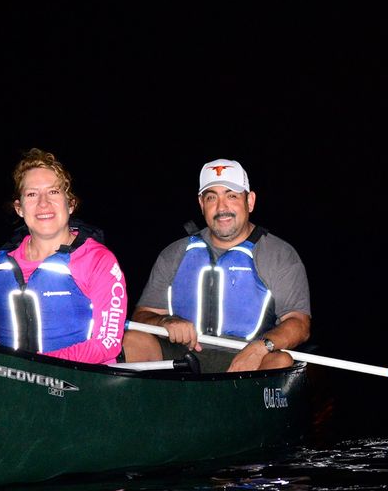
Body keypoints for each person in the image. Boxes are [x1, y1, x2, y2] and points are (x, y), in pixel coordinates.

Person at [121, 158, 311, 372]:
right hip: (181, 356)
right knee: (133, 339)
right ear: (201, 204)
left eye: (231, 196)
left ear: (250, 201)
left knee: (281, 360)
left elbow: (299, 324)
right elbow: (142, 316)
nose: (222, 207)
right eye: (212, 197)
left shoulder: (280, 255)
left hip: (246, 358)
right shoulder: (174, 253)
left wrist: (261, 347)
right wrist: (166, 321)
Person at [0, 148, 127, 364]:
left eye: (53, 192)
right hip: (9, 385)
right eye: (32, 194)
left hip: (82, 385)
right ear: (19, 208)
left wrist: (40, 368)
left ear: (70, 204)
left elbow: (107, 343)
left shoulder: (99, 261)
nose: (43, 203)